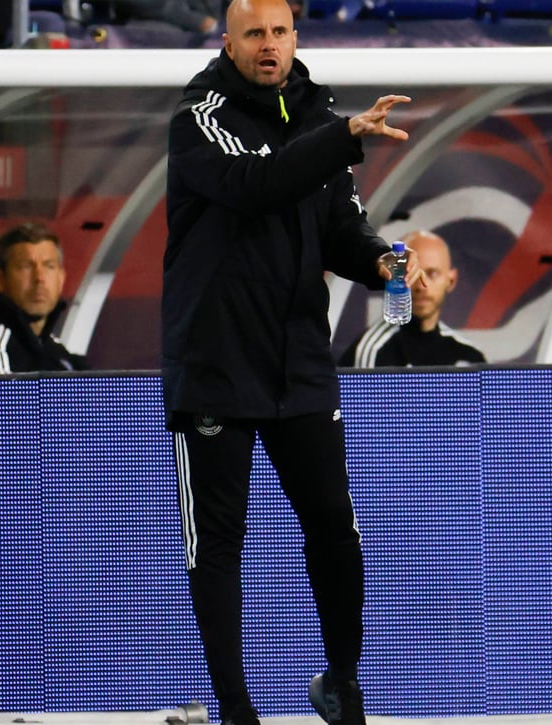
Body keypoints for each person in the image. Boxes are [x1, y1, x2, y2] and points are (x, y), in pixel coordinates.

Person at [161, 1, 420, 724]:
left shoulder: (318, 115)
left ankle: (341, 681)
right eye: (254, 33)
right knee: (219, 542)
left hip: (299, 361)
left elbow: (338, 224)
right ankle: (236, 708)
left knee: (334, 523)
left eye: (279, 32)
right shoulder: (198, 116)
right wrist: (341, 137)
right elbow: (258, 186)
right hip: (215, 363)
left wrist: (380, 262)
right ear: (229, 41)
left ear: (296, 38)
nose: (268, 45)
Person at [339, 230, 486, 368]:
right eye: (410, 273)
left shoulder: (470, 357)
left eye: (432, 273)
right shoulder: (371, 351)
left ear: (451, 280)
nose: (421, 286)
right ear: (393, 277)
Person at [0, 222, 89, 373]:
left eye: (49, 266)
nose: (39, 278)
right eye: (26, 266)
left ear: (61, 278)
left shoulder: (61, 355)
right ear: (1, 279)